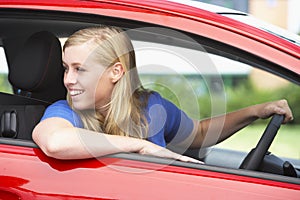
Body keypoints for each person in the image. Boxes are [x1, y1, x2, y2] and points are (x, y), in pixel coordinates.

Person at [32, 26, 293, 163]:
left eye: (80, 69)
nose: (68, 80)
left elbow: (199, 134)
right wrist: (141, 146)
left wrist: (256, 111)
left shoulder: (150, 105)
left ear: (116, 72)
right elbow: (55, 142)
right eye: (66, 69)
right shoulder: (65, 112)